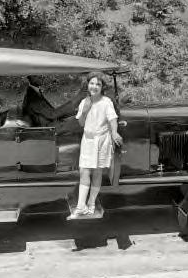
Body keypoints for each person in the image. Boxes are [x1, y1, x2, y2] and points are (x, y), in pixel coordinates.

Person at [68, 72, 123, 219]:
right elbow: (81, 123)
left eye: (98, 84)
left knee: (97, 172)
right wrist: (85, 111)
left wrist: (115, 133)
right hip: (88, 140)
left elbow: (113, 119)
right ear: (87, 84)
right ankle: (81, 206)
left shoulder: (106, 102)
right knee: (84, 171)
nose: (94, 86)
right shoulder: (84, 102)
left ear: (102, 87)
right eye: (92, 83)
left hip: (102, 140)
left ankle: (91, 204)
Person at [22, 75, 87, 127]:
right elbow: (52, 114)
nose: (41, 76)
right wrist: (77, 99)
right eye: (36, 75)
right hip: (48, 129)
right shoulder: (32, 97)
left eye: (41, 74)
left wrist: (76, 111)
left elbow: (51, 113)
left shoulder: (35, 92)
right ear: (29, 77)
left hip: (52, 124)